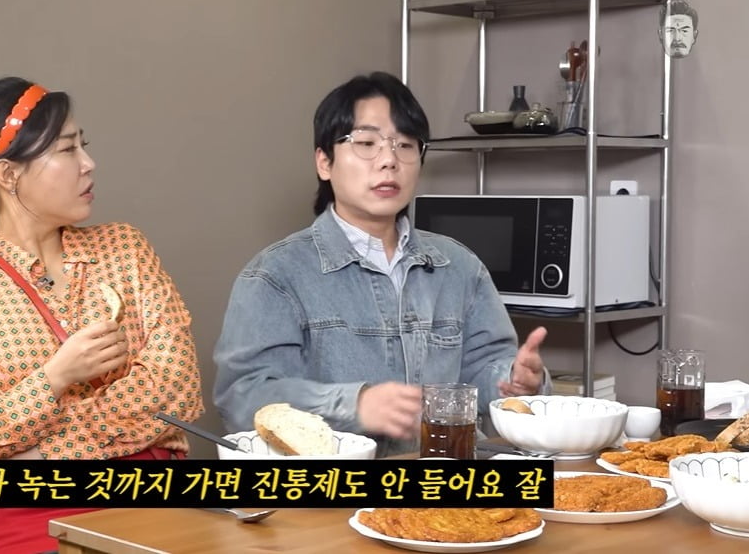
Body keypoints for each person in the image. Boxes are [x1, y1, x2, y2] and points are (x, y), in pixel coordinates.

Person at [0, 76, 201, 554]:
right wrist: (54, 378)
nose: (88, 163)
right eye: (67, 149)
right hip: (24, 525)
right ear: (8, 174)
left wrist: (41, 454)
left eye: (84, 145)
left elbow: (175, 391)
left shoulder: (125, 249)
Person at [213, 71, 549, 452]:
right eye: (366, 143)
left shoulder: (459, 267)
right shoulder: (276, 275)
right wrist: (354, 404)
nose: (389, 160)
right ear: (324, 162)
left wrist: (516, 383)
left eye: (405, 145)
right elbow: (243, 399)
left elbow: (484, 374)